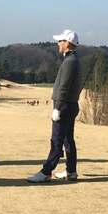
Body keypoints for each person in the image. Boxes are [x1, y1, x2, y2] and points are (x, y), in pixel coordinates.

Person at [28, 30, 83, 183]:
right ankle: (71, 171)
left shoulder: (69, 62)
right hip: (70, 105)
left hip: (64, 106)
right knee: (68, 139)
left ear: (67, 43)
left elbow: (64, 87)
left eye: (60, 41)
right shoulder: (73, 60)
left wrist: (57, 108)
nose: (58, 44)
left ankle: (46, 172)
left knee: (56, 141)